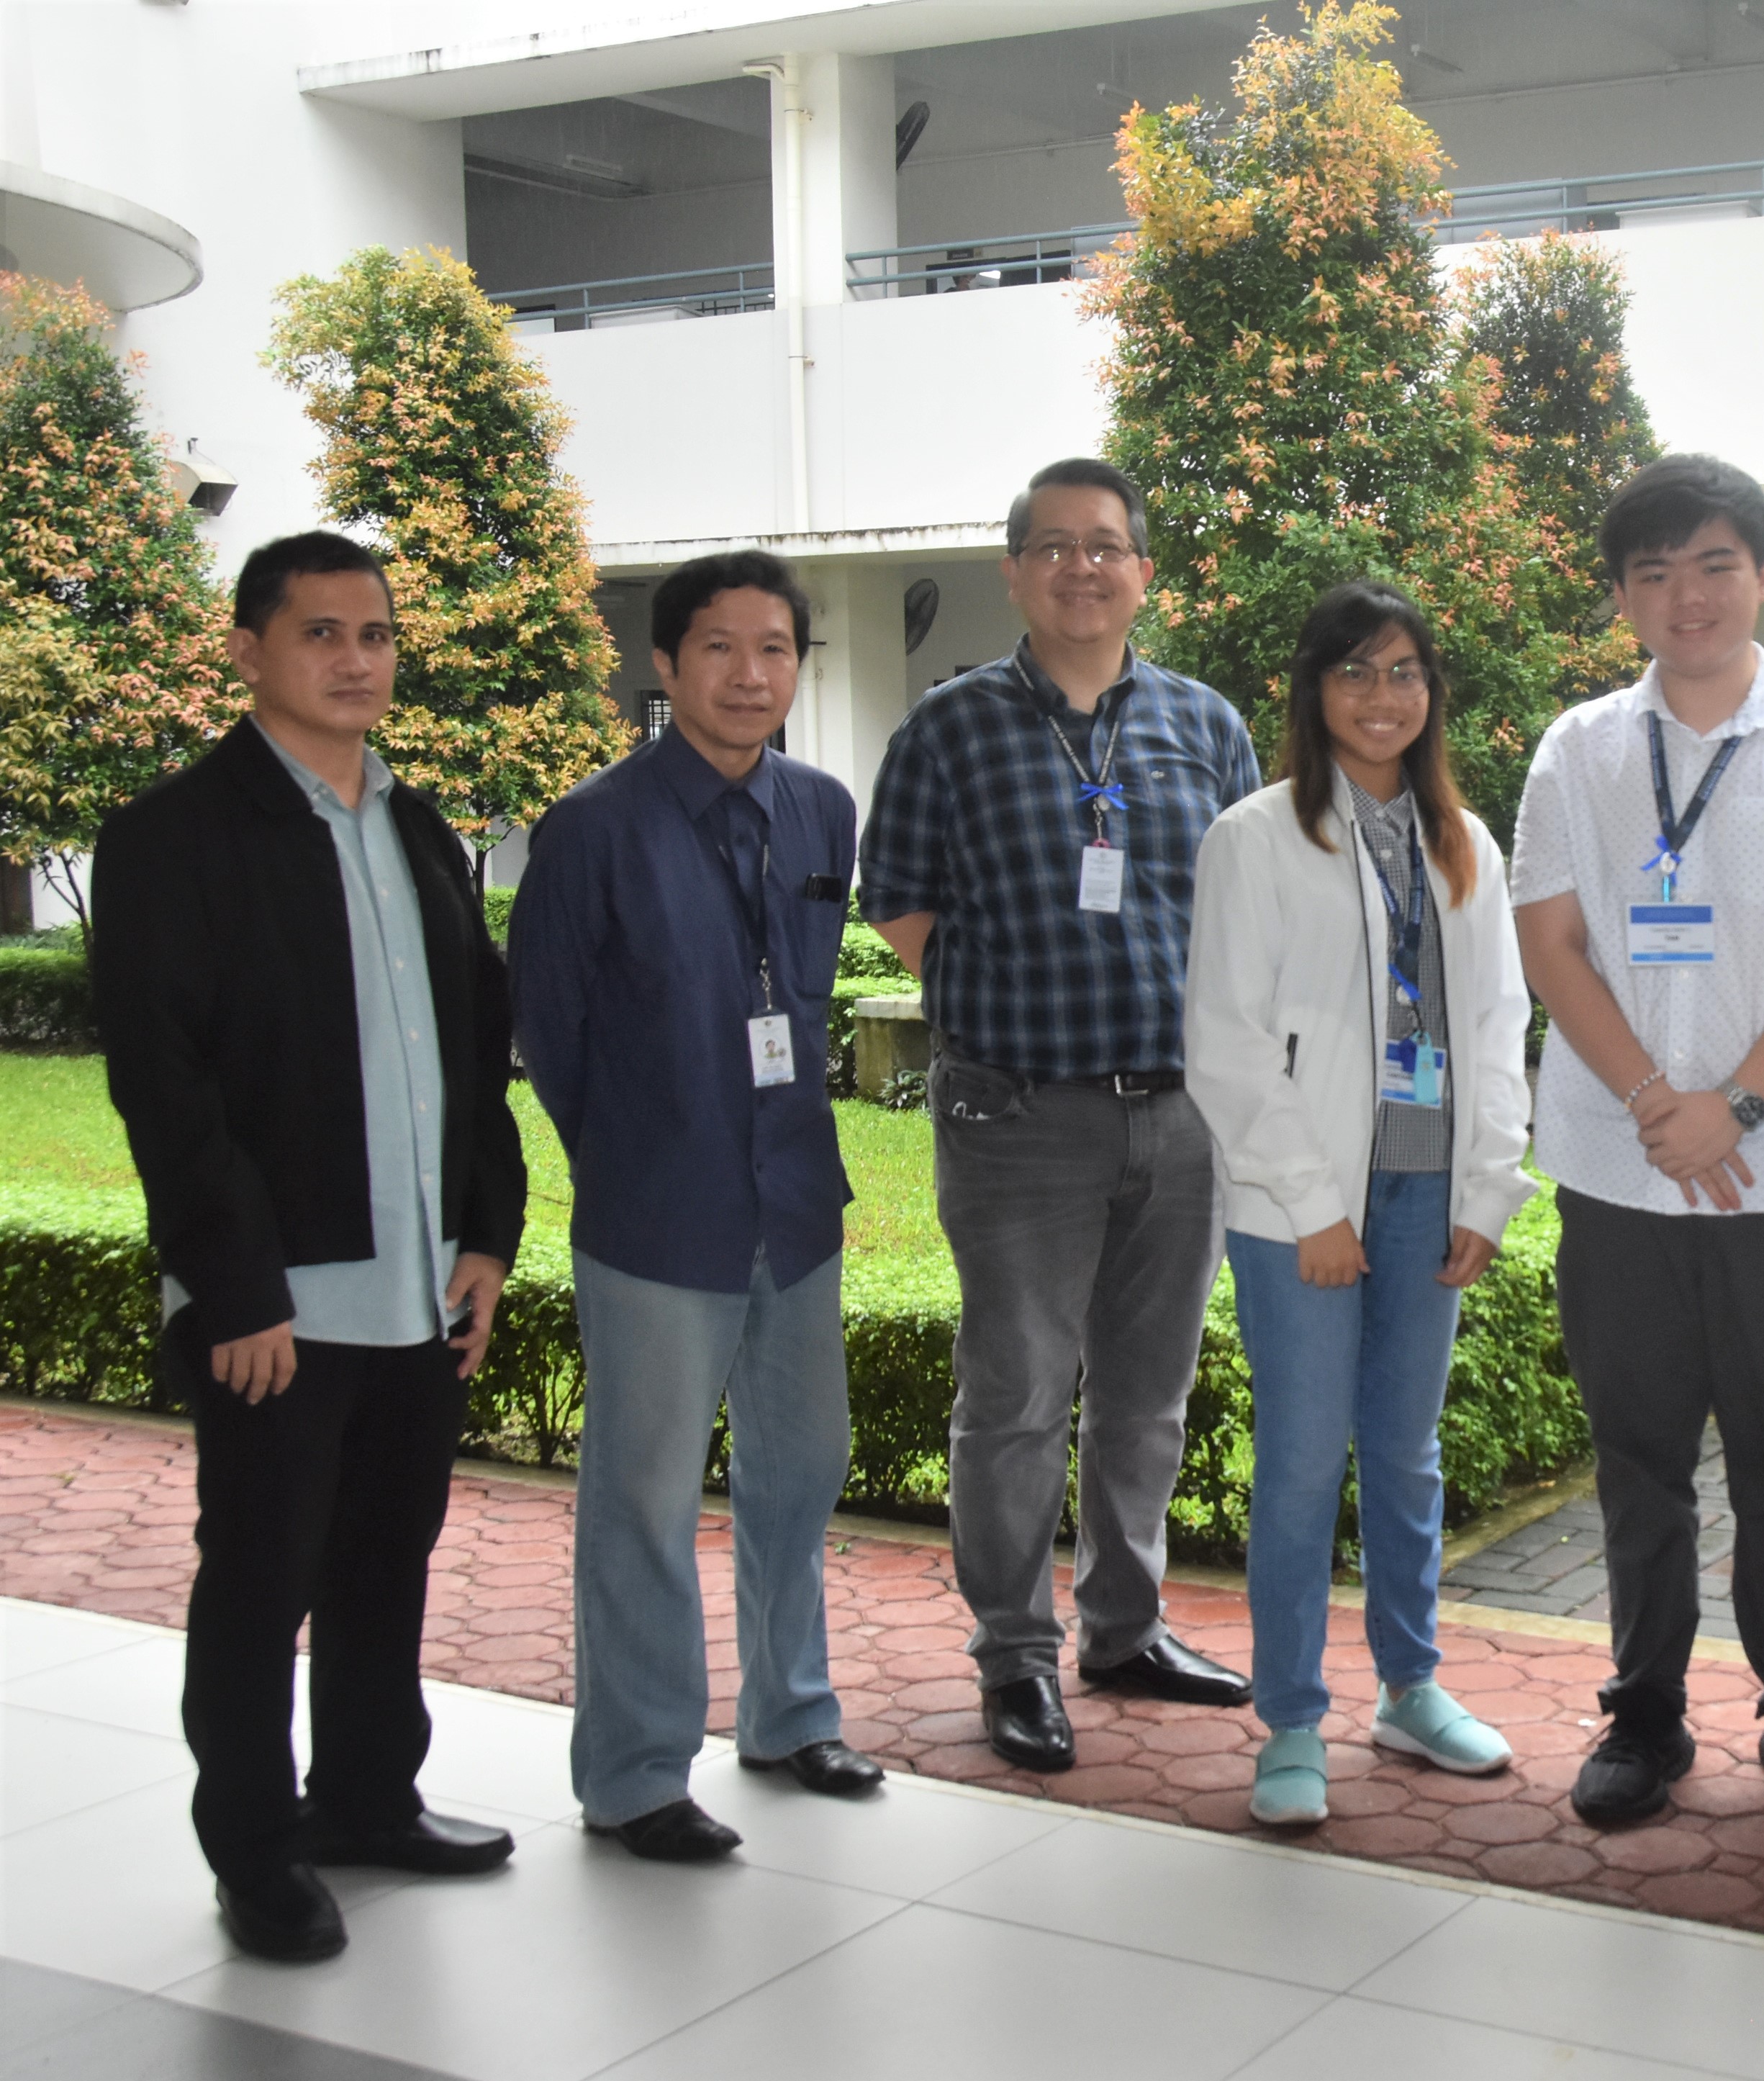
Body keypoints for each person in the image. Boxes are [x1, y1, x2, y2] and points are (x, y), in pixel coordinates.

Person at [91, 531, 525, 1962]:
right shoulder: (173, 834)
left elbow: (475, 1049)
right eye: (323, 633)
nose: (357, 660)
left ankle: (365, 1801)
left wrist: (486, 1238)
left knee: (385, 1561)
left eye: (377, 635)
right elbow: (167, 1084)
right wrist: (235, 1283)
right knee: (260, 1580)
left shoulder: (414, 826)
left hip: (417, 1284)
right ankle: (256, 1850)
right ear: (249, 650)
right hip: (277, 1299)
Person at [1511, 453, 1764, 1834]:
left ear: (1761, 571)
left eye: (1712, 564)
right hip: (1617, 1166)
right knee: (1637, 1459)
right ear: (1625, 596)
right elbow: (1552, 943)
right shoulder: (1576, 749)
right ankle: (1645, 1714)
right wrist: (1652, 1104)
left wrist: (1732, 1104)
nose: (1685, 596)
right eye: (1653, 573)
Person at [862, 458, 1265, 1771]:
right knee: (1019, 1394)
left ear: (1144, 569)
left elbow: (1246, 910)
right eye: (1054, 546)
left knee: (1148, 1397)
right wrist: (1013, 1003)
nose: (1082, 567)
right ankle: (1015, 1654)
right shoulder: (950, 725)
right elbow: (901, 902)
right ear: (1015, 570)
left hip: (1185, 1115)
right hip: (1019, 1116)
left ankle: (1126, 1625)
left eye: (1107, 546)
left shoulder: (1206, 725)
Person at [512, 549, 884, 1861]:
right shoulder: (593, 828)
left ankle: (791, 1715)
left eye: (774, 649)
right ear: (664, 667)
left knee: (798, 1477)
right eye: (718, 649)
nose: (749, 674)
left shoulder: (826, 811)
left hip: (797, 1206)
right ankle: (631, 1773)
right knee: (643, 1500)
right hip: (660, 1219)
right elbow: (548, 1035)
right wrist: (641, 1148)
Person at [1185, 581, 1538, 1826]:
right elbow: (1224, 1042)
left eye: (1403, 672)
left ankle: (1411, 1687)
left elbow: (1499, 1022)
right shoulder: (1256, 835)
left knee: (1404, 1452)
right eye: (1354, 672)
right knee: (1298, 1467)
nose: (1381, 697)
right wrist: (1310, 1206)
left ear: (1430, 692)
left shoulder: (1466, 844)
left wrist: (1488, 1186)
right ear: (1312, 690)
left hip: (1427, 1186)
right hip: (1304, 1210)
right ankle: (1290, 1722)